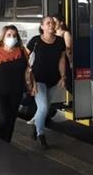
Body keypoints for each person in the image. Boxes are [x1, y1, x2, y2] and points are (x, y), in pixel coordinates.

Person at [26, 16, 66, 149]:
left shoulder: (60, 41)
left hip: (53, 80)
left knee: (45, 108)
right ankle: (40, 134)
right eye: (48, 23)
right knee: (43, 107)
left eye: (53, 23)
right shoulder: (35, 41)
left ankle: (36, 125)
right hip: (38, 80)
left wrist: (63, 76)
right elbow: (25, 57)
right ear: (42, 26)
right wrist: (29, 76)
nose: (51, 25)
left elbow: (61, 59)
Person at [53, 15, 73, 96]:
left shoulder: (65, 33)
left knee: (68, 83)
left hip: (64, 60)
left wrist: (71, 62)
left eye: (55, 22)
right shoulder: (52, 33)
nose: (53, 24)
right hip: (55, 61)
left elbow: (68, 49)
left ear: (61, 23)